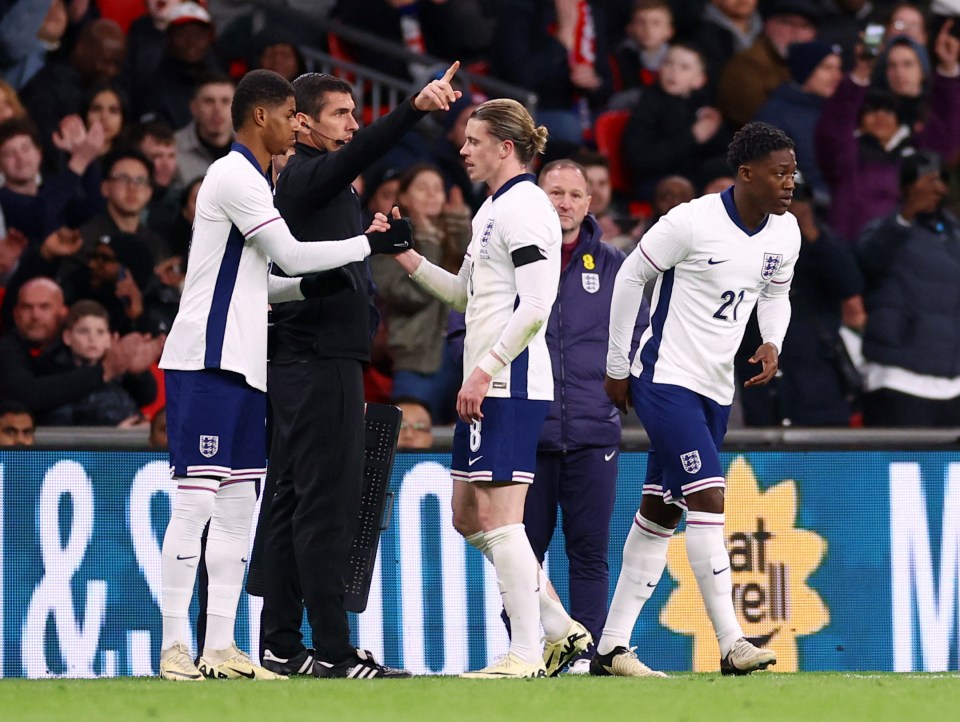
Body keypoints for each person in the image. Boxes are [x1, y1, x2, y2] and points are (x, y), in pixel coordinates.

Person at [155, 68, 413, 683]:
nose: (294, 123)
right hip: (207, 359)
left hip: (246, 364)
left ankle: (221, 648)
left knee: (241, 511)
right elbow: (292, 253)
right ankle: (173, 650)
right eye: (289, 112)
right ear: (263, 116)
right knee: (194, 510)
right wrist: (366, 245)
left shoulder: (255, 183)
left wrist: (304, 286)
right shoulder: (234, 176)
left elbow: (265, 279)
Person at [252, 63, 461, 682]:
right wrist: (414, 108)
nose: (353, 124)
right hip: (319, 361)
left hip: (308, 359)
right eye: (341, 113)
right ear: (303, 122)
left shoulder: (322, 189)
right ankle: (336, 653)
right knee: (326, 505)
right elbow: (361, 154)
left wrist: (374, 237)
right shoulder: (311, 174)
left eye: (354, 113)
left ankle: (283, 644)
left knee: (293, 501)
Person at [596, 122, 800, 677]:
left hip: (716, 387)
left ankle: (610, 647)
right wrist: (617, 367)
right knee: (709, 500)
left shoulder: (786, 234)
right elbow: (629, 279)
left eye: (794, 171)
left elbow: (775, 296)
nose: (791, 181)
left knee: (662, 512)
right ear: (746, 173)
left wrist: (772, 340)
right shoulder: (690, 221)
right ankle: (733, 643)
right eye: (780, 172)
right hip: (665, 377)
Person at [392, 98, 585, 679]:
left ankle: (526, 653)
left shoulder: (526, 207)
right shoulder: (492, 211)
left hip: (510, 381)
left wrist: (485, 368)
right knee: (467, 516)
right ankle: (559, 629)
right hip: (488, 379)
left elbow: (536, 305)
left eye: (474, 140)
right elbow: (465, 297)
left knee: (500, 518)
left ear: (505, 148)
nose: (463, 149)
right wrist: (404, 255)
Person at [523, 159, 649, 675]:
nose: (566, 204)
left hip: (594, 433)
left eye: (576, 194)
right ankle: (528, 656)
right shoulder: (512, 255)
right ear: (538, 197)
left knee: (590, 555)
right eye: (556, 193)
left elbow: (642, 336)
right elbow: (468, 322)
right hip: (526, 431)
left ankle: (594, 660)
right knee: (523, 560)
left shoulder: (617, 266)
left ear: (589, 203)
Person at [857, 150, 960, 426]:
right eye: (926, 181)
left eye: (940, 181)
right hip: (898, 381)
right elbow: (867, 262)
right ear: (906, 186)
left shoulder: (955, 235)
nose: (936, 188)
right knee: (901, 468)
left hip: (953, 385)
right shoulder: (883, 229)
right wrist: (906, 214)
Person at [0, 276, 160, 418]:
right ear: (16, 314)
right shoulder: (8, 350)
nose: (35, 315)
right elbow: (27, 396)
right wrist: (105, 371)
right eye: (27, 307)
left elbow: (145, 397)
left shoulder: (89, 348)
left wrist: (137, 373)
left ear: (62, 312)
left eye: (44, 307)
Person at [42, 299, 156, 426]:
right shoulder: (52, 374)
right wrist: (115, 435)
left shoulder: (119, 371)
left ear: (109, 338)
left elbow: (147, 397)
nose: (92, 339)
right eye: (83, 331)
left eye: (100, 332)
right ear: (67, 337)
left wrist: (140, 373)